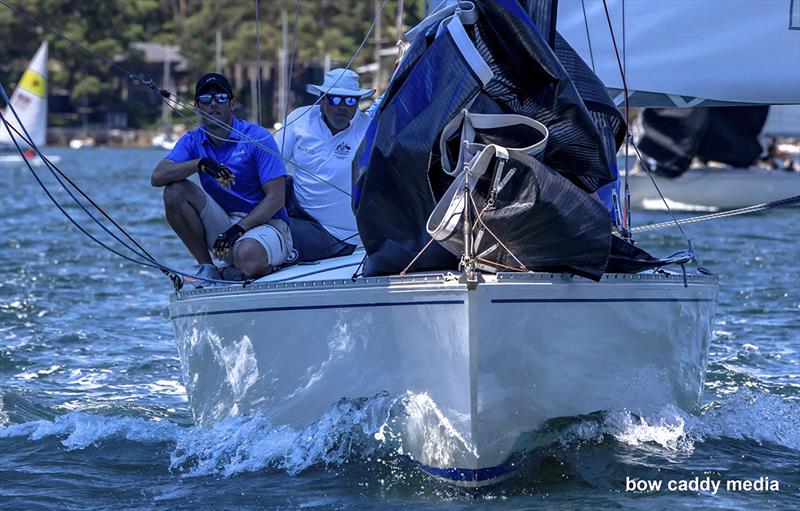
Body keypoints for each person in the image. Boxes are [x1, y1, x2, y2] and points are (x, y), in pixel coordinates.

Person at [151, 72, 292, 285]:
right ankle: (208, 267)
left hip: (268, 224)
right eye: (206, 100)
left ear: (232, 103)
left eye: (221, 98)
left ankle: (256, 267)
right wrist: (200, 164)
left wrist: (238, 230)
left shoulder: (257, 136)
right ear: (198, 106)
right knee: (174, 191)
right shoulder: (193, 140)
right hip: (224, 224)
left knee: (247, 255)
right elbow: (158, 176)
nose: (213, 104)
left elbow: (276, 198)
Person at [276, 68, 376, 262]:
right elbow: (270, 164)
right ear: (322, 98)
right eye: (336, 99)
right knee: (276, 183)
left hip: (337, 236)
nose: (343, 107)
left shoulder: (369, 129)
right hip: (298, 212)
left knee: (268, 233)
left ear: (357, 104)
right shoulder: (300, 119)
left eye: (350, 101)